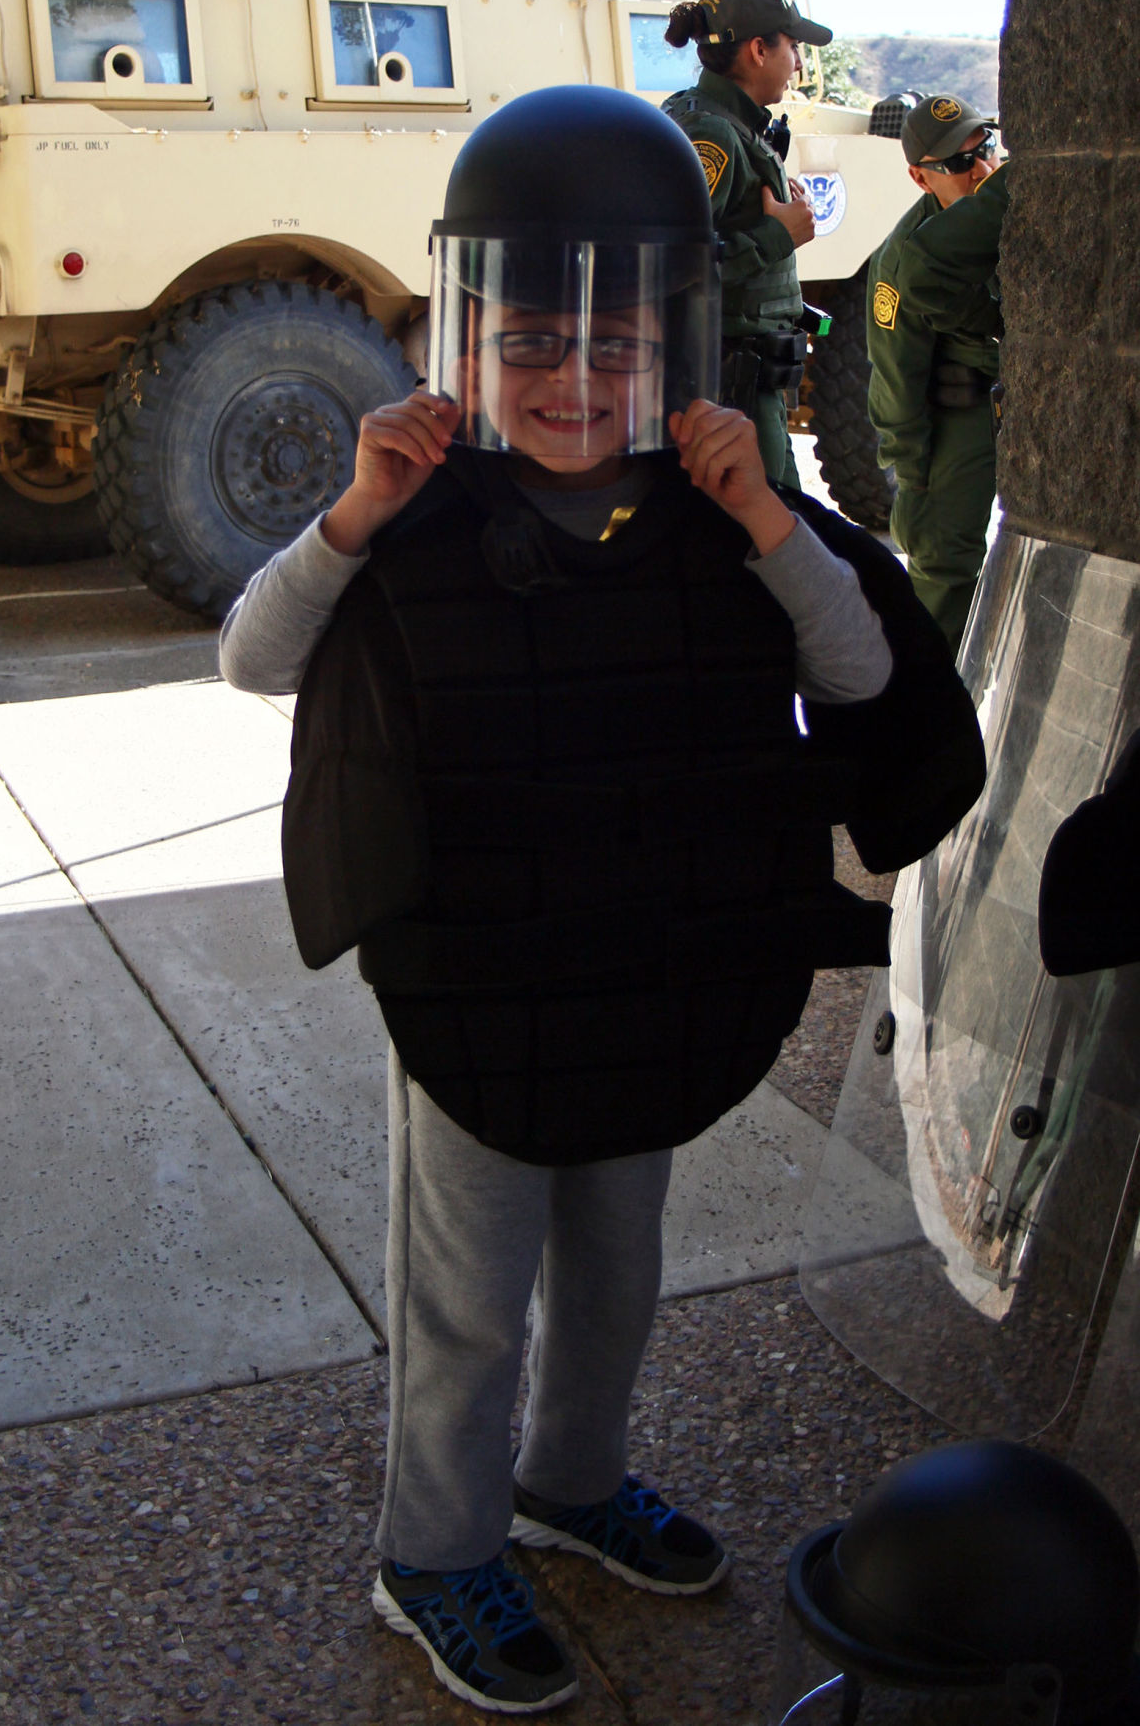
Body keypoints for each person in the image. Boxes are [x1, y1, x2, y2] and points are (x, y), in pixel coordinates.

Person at [219, 86, 983, 1716]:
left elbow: (855, 670)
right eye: (535, 344)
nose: (575, 378)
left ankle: (572, 1482)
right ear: (471, 339)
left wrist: (770, 517)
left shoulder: (722, 521)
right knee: (470, 1297)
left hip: (650, 965)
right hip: (476, 983)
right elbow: (257, 656)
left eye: (617, 343)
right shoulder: (417, 512)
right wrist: (357, 508)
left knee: (618, 1263)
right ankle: (432, 1543)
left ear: (678, 346)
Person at [662, 0, 833, 488]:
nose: (799, 63)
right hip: (730, 389)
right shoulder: (711, 132)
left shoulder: (722, 122)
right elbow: (670, 266)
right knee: (766, 529)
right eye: (793, 47)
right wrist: (780, 235)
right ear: (758, 50)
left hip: (741, 381)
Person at [866, 95, 1002, 655]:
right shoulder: (902, 264)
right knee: (944, 567)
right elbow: (896, 388)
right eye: (959, 163)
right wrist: (915, 482)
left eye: (986, 149)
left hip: (1018, 400)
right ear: (921, 178)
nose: (982, 170)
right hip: (961, 414)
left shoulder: (1003, 211)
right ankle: (925, 710)